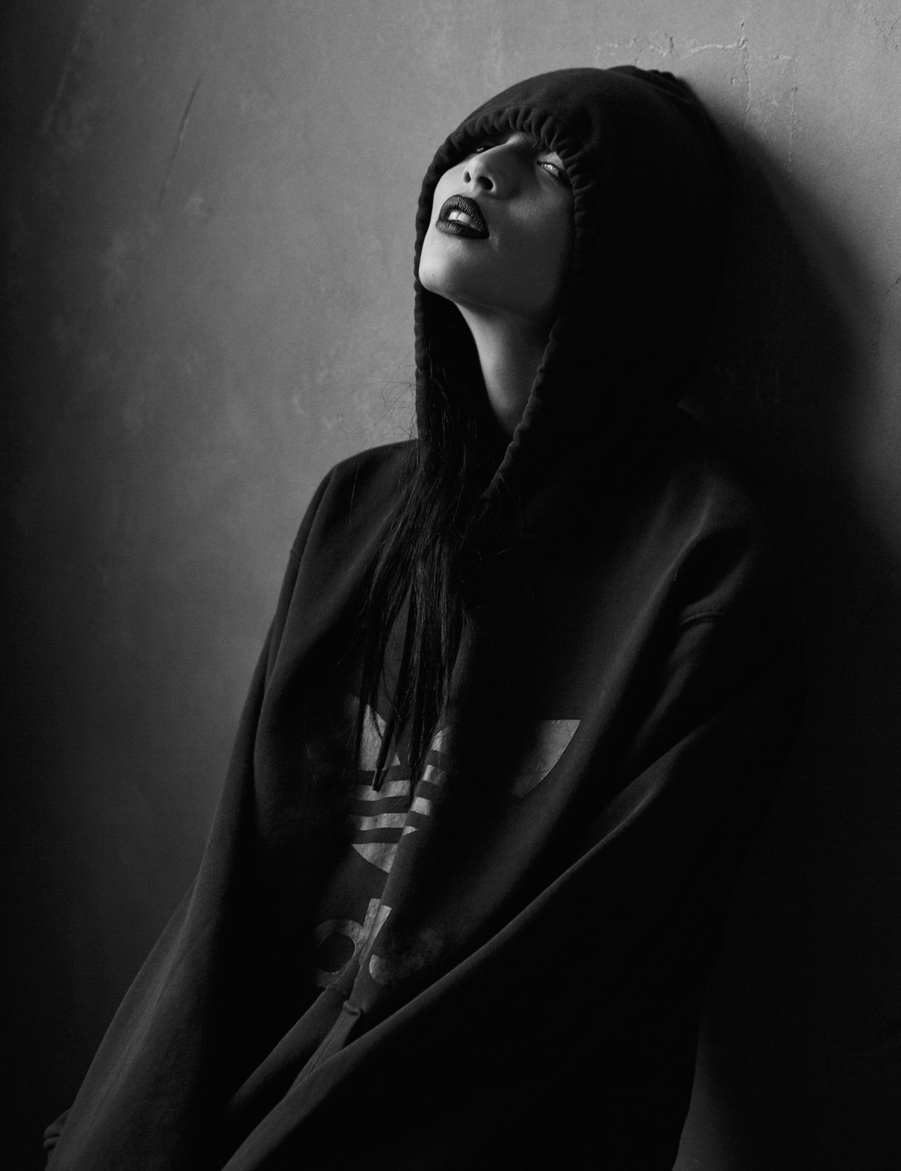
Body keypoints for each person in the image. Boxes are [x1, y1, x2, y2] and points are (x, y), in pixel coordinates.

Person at [45, 67, 803, 1170]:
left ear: (630, 250)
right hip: (239, 1091)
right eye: (477, 146)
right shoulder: (360, 508)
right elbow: (246, 873)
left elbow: (593, 949)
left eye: (553, 166)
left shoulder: (702, 549)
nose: (482, 170)